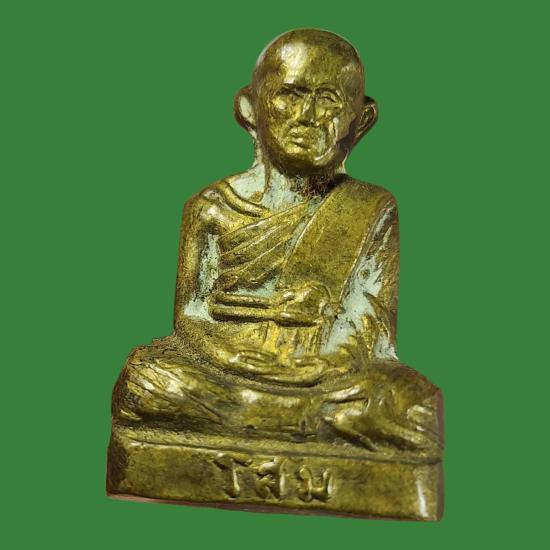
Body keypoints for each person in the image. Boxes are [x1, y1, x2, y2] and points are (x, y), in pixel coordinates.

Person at [111, 29, 442, 454]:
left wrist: (325, 364)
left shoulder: (370, 206)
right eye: (291, 94)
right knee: (145, 377)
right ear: (250, 108)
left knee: (409, 404)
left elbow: (371, 320)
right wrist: (233, 358)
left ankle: (258, 417)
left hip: (325, 375)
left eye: (329, 99)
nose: (308, 115)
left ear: (361, 119)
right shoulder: (210, 207)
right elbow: (191, 315)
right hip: (227, 366)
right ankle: (296, 421)